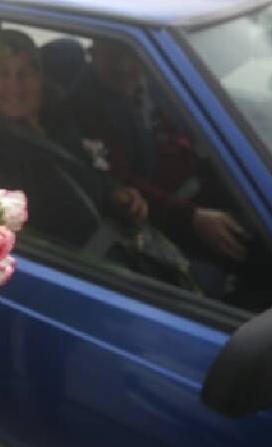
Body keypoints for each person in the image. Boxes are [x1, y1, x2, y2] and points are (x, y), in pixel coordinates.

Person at [68, 38, 258, 286]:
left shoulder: (153, 82)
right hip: (165, 215)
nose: (125, 67)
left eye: (131, 55)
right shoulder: (83, 108)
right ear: (92, 54)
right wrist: (192, 218)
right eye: (112, 56)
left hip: (197, 187)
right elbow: (119, 180)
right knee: (251, 252)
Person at [0, 29, 147, 247]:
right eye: (0, 72)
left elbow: (78, 170)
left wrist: (111, 193)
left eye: (27, 72)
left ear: (40, 78)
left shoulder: (51, 118)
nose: (15, 85)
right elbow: (8, 236)